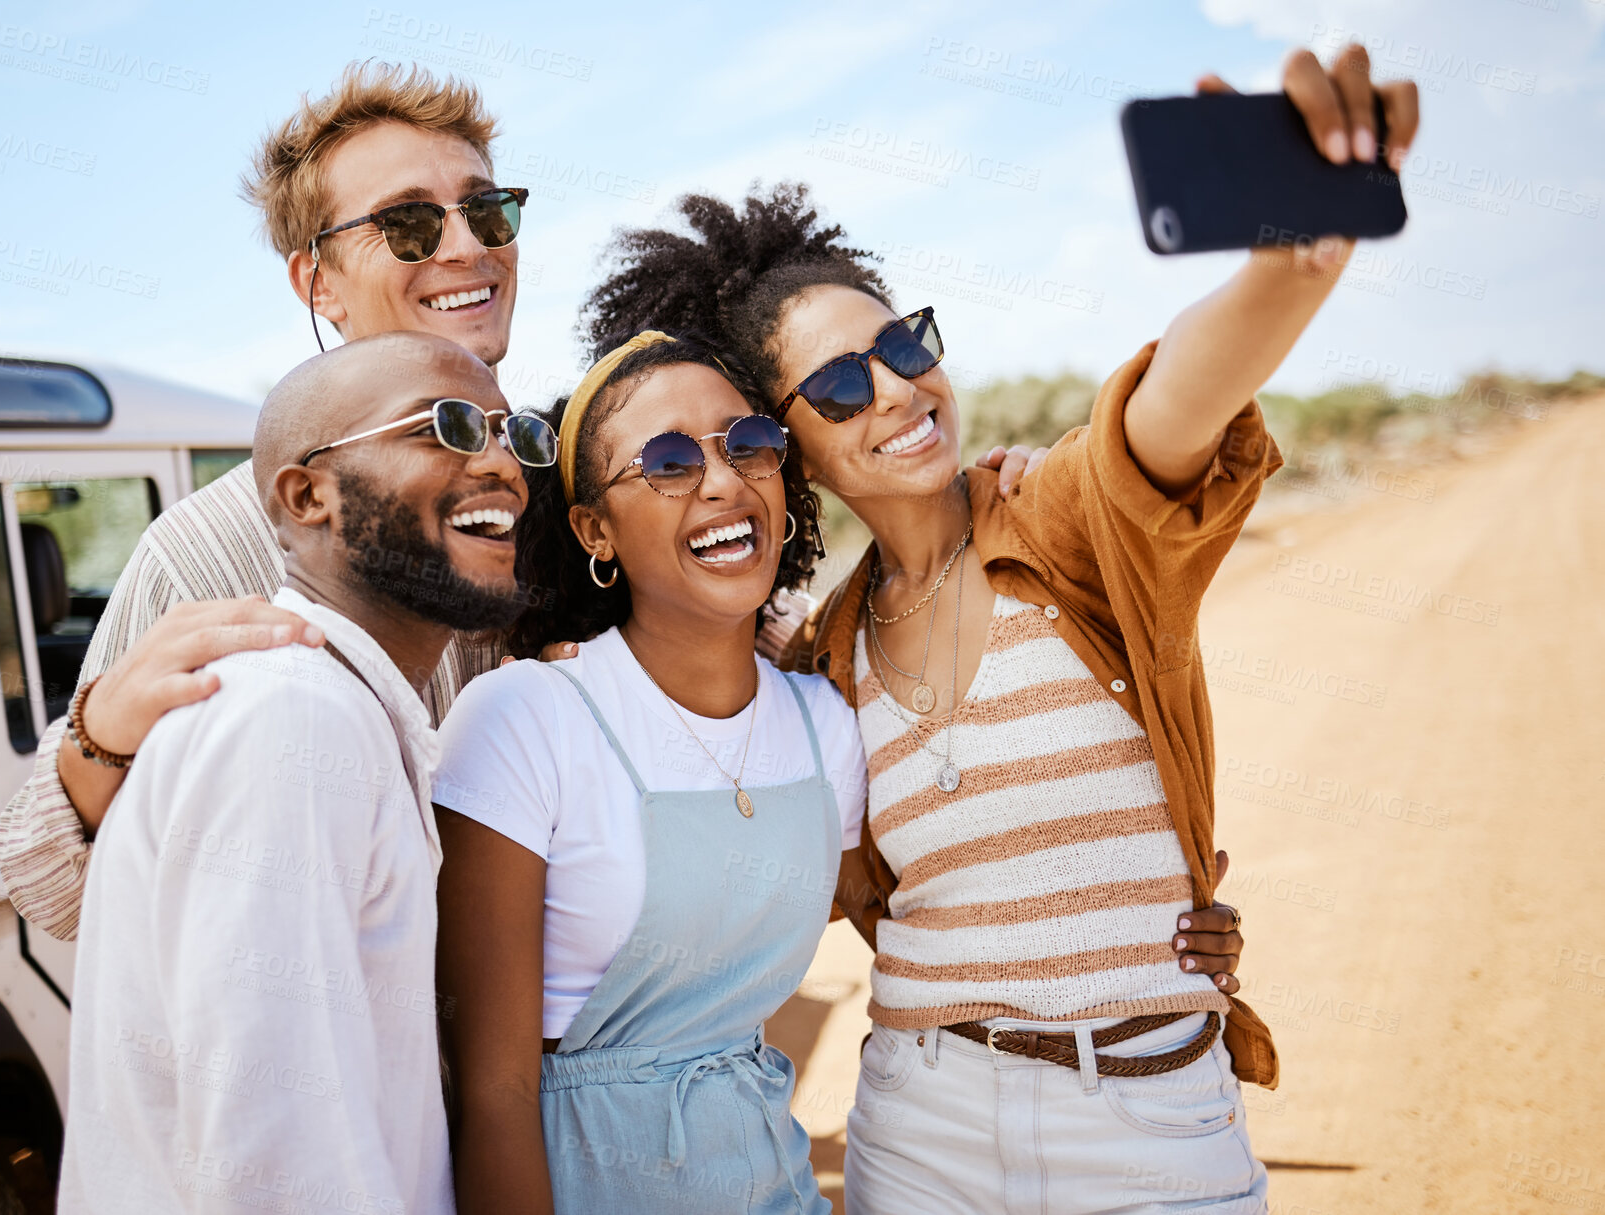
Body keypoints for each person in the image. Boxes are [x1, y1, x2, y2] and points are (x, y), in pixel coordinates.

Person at [572, 43, 1418, 1215]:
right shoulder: (822, 661)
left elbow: (1178, 396)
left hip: (1152, 1119)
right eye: (838, 390)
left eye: (904, 348)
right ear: (787, 447)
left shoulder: (1065, 523)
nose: (896, 393)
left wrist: (1294, 259)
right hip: (922, 1129)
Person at [0, 61, 548, 938]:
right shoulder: (208, 550)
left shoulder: (548, 484)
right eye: (407, 223)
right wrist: (95, 738)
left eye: (486, 210)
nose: (465, 246)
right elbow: (50, 889)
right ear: (316, 284)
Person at [58, 332, 523, 1214]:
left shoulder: (338, 707)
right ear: (308, 495)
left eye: (513, 433)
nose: (502, 462)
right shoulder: (293, 719)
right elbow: (273, 1162)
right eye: (447, 428)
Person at [432, 332, 864, 1214]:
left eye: (747, 444)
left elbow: (925, 929)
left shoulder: (828, 730)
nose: (721, 480)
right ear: (596, 529)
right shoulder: (528, 718)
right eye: (667, 460)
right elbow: (494, 1092)